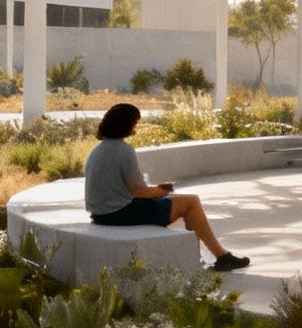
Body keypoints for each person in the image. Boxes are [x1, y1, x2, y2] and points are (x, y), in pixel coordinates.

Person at [85, 103, 250, 272]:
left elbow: (126, 189)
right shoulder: (124, 150)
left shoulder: (96, 150)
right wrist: (163, 189)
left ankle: (201, 258)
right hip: (120, 214)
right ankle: (220, 257)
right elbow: (139, 191)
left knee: (179, 202)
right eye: (135, 123)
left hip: (100, 214)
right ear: (126, 124)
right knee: (191, 202)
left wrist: (158, 191)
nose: (136, 127)